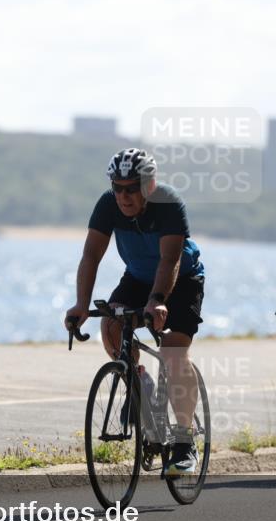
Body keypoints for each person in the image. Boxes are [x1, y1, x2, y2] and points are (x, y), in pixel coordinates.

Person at [64, 148, 206, 475]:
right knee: (111, 325)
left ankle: (184, 442)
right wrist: (81, 304)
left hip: (181, 278)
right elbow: (90, 257)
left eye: (131, 188)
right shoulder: (107, 205)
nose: (123, 195)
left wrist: (157, 300)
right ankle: (139, 383)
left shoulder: (168, 204)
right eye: (118, 187)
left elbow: (169, 261)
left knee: (173, 352)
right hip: (138, 276)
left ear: (149, 186)